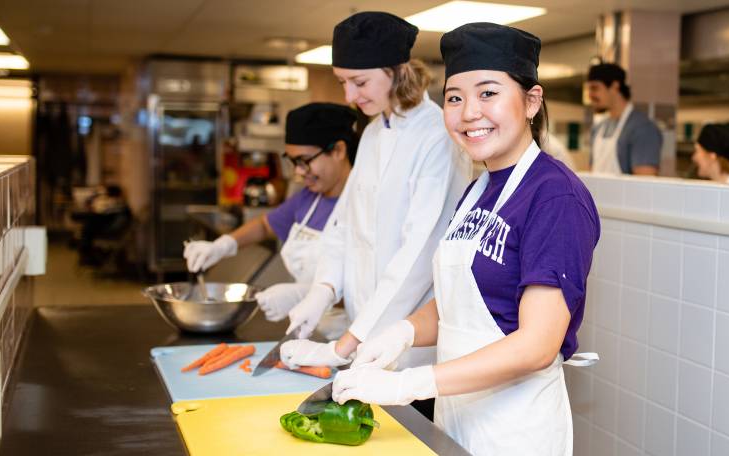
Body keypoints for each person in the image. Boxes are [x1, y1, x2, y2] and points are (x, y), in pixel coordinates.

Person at [330, 22, 600, 456]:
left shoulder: (554, 196)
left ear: (531, 101)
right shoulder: (478, 188)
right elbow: (463, 302)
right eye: (455, 97)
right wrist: (400, 333)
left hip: (515, 428)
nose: (469, 111)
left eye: (488, 92)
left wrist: (410, 382)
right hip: (456, 414)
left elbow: (537, 344)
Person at [272, 12, 470, 393]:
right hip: (360, 332)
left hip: (407, 346)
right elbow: (344, 225)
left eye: (359, 82)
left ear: (397, 71)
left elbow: (418, 255)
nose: (349, 96)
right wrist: (323, 290)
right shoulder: (375, 132)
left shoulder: (436, 136)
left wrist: (347, 343)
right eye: (342, 82)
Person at [183, 103, 357, 318]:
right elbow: (266, 225)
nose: (299, 172)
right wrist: (223, 246)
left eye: (304, 161)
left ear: (339, 150)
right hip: (309, 328)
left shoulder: (363, 205)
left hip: (349, 334)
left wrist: (304, 295)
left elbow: (373, 290)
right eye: (293, 161)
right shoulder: (309, 198)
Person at [586, 62, 662, 175]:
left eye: (595, 88)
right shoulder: (598, 128)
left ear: (615, 86)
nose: (590, 95)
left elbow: (645, 183)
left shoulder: (642, 129)